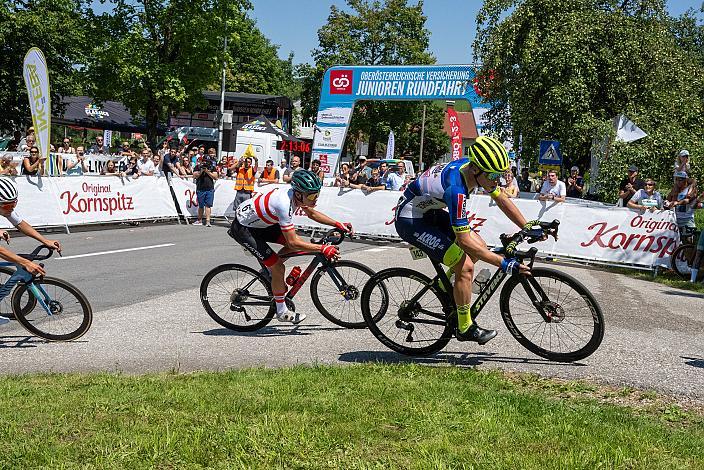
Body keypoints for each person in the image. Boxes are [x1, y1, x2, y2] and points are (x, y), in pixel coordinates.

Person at [394, 136, 535, 344]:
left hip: (428, 212)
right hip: (410, 221)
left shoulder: (473, 170)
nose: (498, 180)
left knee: (481, 246)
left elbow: (501, 199)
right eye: (494, 175)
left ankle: (447, 291)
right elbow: (465, 242)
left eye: (501, 175)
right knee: (466, 265)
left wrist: (527, 226)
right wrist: (505, 264)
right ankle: (465, 327)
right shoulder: (456, 189)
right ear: (476, 169)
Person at [229, 170, 353, 324]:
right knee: (279, 266)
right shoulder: (283, 203)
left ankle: (270, 272)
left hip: (261, 223)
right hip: (244, 229)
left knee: (289, 251)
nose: (315, 199)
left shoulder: (298, 196)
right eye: (312, 196)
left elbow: (312, 214)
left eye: (317, 195)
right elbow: (293, 242)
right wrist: (322, 249)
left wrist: (337, 223)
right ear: (299, 194)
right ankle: (281, 312)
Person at [0, 179, 62, 325]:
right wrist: (25, 262)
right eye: (9, 205)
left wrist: (44, 240)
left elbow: (20, 224)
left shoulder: (5, 206)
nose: (12, 208)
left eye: (15, 203)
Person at [665, 171, 697, 236]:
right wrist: (667, 202)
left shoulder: (691, 189)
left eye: (680, 179)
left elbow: (687, 200)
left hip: (687, 219)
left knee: (688, 241)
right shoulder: (675, 189)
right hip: (675, 219)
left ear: (685, 180)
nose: (677, 182)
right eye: (676, 179)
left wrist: (677, 203)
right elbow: (668, 200)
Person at [192, 151, 218, 227]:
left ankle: (207, 221)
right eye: (204, 161)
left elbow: (216, 177)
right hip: (200, 188)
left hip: (209, 189)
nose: (205, 163)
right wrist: (201, 171)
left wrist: (207, 172)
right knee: (200, 205)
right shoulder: (198, 167)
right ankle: (199, 220)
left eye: (207, 161)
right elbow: (195, 176)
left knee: (208, 205)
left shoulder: (212, 167)